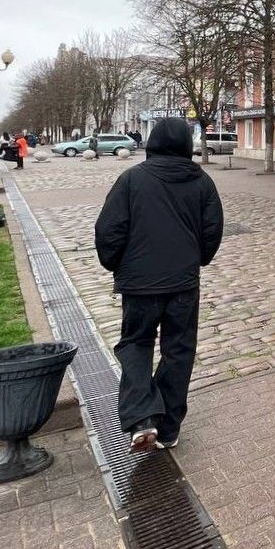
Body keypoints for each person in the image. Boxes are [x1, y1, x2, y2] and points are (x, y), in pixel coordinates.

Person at [94, 117, 224, 452]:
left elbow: (109, 231)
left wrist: (115, 263)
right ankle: (167, 428)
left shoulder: (131, 179)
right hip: (183, 283)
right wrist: (195, 260)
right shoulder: (202, 182)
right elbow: (212, 232)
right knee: (178, 350)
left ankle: (142, 419)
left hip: (139, 284)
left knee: (136, 344)